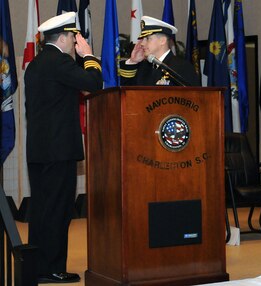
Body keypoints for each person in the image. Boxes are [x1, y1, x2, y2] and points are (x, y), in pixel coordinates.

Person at [24, 12, 103, 283]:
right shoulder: (59, 62)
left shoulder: (35, 64)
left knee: (42, 212)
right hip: (58, 153)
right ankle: (52, 269)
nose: (76, 42)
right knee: (57, 212)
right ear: (65, 37)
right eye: (75, 37)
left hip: (39, 152)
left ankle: (39, 265)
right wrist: (89, 55)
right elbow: (94, 83)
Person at [119, 16, 200, 86]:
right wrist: (133, 61)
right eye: (142, 39)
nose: (142, 43)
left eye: (147, 39)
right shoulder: (143, 67)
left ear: (162, 41)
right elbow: (126, 92)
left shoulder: (182, 67)